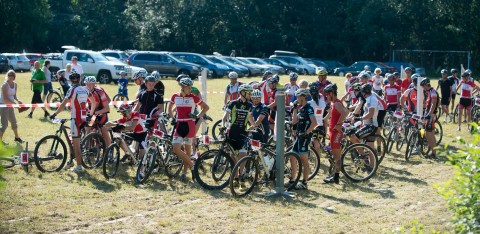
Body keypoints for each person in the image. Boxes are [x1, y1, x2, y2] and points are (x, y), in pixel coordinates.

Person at [168, 77, 209, 182]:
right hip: (179, 125)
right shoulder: (175, 96)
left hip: (189, 125)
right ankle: (192, 165)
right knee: (176, 148)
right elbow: (170, 106)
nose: (190, 89)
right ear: (182, 87)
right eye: (188, 87)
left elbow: (206, 107)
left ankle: (184, 173)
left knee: (187, 150)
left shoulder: (193, 97)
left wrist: (197, 116)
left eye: (191, 87)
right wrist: (172, 117)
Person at [49, 72, 89, 173]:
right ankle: (71, 160)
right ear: (79, 79)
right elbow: (93, 101)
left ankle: (79, 167)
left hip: (76, 119)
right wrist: (90, 112)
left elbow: (63, 104)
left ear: (70, 81)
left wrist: (55, 114)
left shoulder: (72, 89)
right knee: (75, 140)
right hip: (84, 117)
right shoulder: (85, 89)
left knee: (76, 144)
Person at [222, 84, 256, 187]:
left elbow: (249, 118)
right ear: (242, 93)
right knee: (233, 157)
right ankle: (235, 178)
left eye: (250, 93)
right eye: (248, 93)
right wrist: (223, 125)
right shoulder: (233, 103)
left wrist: (254, 125)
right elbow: (225, 117)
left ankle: (241, 178)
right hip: (232, 133)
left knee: (243, 155)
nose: (250, 95)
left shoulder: (250, 105)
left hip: (242, 133)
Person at [289, 88, 317, 190]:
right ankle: (293, 179)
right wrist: (295, 109)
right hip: (299, 137)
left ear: (303, 97)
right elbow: (294, 121)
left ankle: (304, 182)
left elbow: (314, 123)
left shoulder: (309, 108)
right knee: (292, 156)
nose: (296, 98)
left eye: (297, 96)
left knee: (304, 160)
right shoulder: (301, 108)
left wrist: (306, 132)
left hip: (304, 137)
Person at [349, 83, 380, 171]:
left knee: (353, 137)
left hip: (370, 125)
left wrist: (359, 117)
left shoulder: (371, 100)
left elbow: (370, 113)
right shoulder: (370, 98)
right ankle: (371, 167)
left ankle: (363, 156)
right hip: (371, 125)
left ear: (364, 92)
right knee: (370, 147)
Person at [323, 84, 347, 184]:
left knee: (337, 156)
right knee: (334, 154)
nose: (326, 96)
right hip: (333, 131)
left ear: (332, 93)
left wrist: (338, 124)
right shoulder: (334, 103)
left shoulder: (337, 103)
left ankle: (336, 177)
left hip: (336, 132)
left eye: (327, 94)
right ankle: (335, 175)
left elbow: (344, 113)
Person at [84, 76, 112, 147]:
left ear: (94, 84)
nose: (89, 86)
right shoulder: (84, 91)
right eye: (87, 84)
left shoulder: (99, 92)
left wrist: (98, 111)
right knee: (88, 128)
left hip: (102, 111)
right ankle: (88, 148)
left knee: (103, 130)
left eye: (91, 84)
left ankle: (109, 149)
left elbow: (107, 108)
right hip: (92, 112)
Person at [0, 70, 23, 144]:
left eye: (12, 75)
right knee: (4, 125)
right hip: (3, 105)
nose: (10, 77)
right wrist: (14, 103)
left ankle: (17, 138)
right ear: (7, 76)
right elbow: (5, 98)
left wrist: (18, 100)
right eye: (9, 75)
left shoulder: (15, 84)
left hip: (11, 105)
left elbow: (14, 96)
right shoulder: (4, 85)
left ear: (14, 77)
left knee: (13, 122)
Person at [421, 78, 439, 158]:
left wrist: (430, 113)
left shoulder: (432, 92)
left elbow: (434, 104)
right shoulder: (429, 92)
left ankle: (433, 153)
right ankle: (434, 152)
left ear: (426, 85)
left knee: (428, 134)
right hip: (430, 115)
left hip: (431, 115)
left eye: (423, 86)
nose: (423, 88)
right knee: (431, 133)